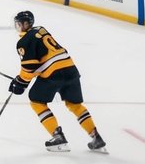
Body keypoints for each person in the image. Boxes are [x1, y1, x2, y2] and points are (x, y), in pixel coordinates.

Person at [9, 10, 106, 153]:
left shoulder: (23, 41)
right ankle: (96, 137)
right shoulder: (41, 30)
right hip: (70, 69)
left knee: (36, 101)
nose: (17, 26)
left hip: (53, 74)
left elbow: (30, 67)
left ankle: (57, 136)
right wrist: (21, 80)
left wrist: (20, 83)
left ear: (24, 24)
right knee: (75, 104)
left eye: (18, 24)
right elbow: (40, 62)